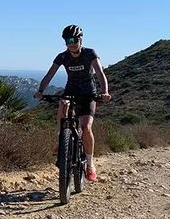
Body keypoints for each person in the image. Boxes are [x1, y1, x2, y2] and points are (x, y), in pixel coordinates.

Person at [34, 25, 112, 181]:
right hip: (71, 91)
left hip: (89, 94)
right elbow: (50, 74)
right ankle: (61, 140)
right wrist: (41, 91)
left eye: (74, 40)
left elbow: (100, 73)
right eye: (68, 40)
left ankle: (90, 165)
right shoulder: (62, 57)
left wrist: (105, 92)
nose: (72, 43)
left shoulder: (90, 54)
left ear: (80, 39)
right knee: (62, 105)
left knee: (86, 127)